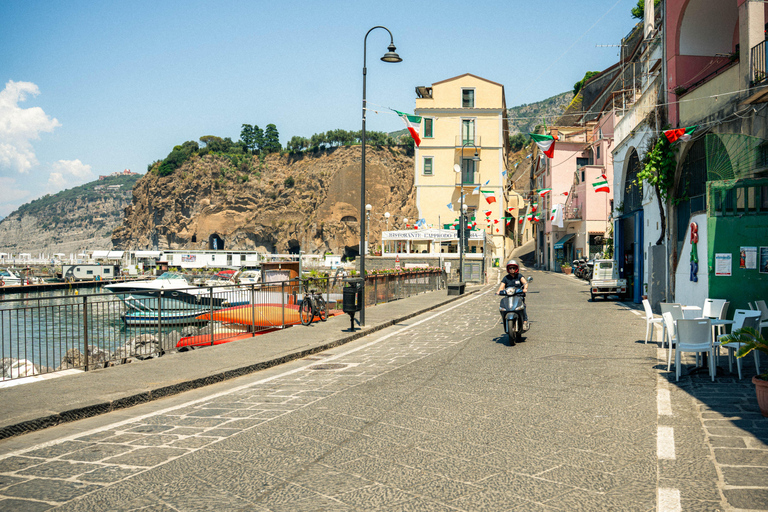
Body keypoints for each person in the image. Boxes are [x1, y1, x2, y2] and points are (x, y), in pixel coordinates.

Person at [497, 259, 529, 330]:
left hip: (519, 295)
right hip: (509, 296)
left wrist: (525, 289)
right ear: (508, 269)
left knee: (522, 306)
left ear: (516, 269)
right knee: (503, 307)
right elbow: (501, 286)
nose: (512, 269)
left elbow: (525, 283)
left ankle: (525, 321)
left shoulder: (519, 276)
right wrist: (499, 291)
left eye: (513, 268)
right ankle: (505, 318)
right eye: (510, 268)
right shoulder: (506, 278)